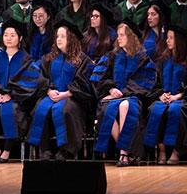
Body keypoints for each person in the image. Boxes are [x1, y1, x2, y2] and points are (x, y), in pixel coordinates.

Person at [28, 21, 95, 161]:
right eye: (57, 36)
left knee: (66, 110)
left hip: (74, 97)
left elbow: (86, 84)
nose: (58, 39)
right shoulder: (49, 58)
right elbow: (39, 77)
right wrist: (48, 91)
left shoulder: (83, 60)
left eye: (63, 36)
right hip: (52, 94)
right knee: (39, 108)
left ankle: (66, 150)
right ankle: (45, 149)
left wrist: (67, 93)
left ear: (71, 38)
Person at [91, 22, 155, 166]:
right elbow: (98, 77)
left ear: (131, 37)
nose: (118, 38)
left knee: (125, 105)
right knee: (106, 107)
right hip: (114, 95)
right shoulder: (112, 56)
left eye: (122, 35)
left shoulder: (142, 58)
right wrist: (111, 89)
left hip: (134, 96)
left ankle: (123, 153)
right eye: (118, 35)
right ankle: (127, 151)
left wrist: (123, 93)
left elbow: (145, 82)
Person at [0, 20, 43, 164]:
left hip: (18, 100)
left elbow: (30, 82)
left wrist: (11, 94)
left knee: (9, 109)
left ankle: (8, 149)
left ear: (20, 38)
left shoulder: (26, 59)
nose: (8, 38)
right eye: (6, 35)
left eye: (12, 35)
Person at [145, 26, 187, 165]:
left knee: (176, 110)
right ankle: (161, 150)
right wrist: (161, 95)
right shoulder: (162, 60)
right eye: (167, 37)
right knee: (154, 109)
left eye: (171, 38)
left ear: (179, 40)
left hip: (182, 99)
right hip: (165, 97)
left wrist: (178, 96)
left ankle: (176, 150)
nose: (167, 41)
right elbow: (155, 83)